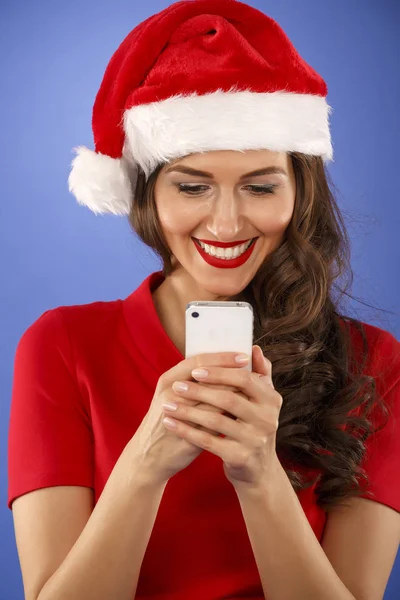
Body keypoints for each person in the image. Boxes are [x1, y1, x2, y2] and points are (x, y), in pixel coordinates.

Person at [7, 1, 400, 599]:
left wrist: (259, 473)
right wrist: (146, 463)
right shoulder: (62, 346)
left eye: (259, 186)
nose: (225, 223)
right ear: (146, 196)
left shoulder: (375, 361)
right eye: (192, 186)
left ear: (300, 193)